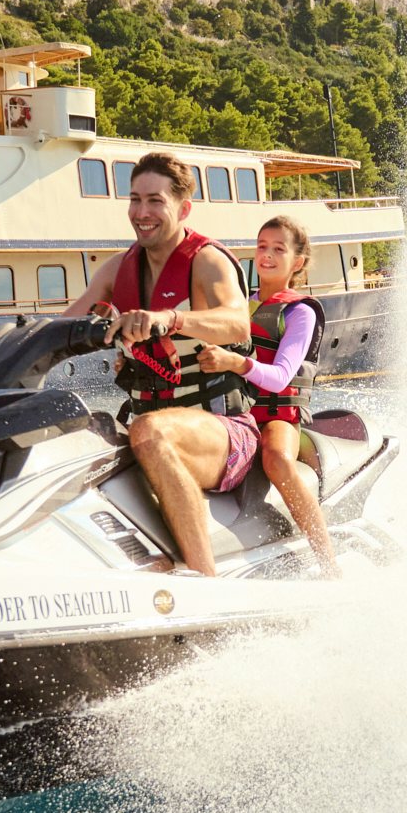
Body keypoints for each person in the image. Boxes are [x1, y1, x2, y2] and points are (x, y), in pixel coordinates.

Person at [61, 149, 253, 576]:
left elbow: (238, 323)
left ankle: (206, 583)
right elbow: (63, 324)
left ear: (183, 208)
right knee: (73, 432)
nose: (141, 212)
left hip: (225, 432)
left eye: (154, 201)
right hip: (150, 425)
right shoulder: (117, 269)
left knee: (148, 431)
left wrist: (172, 318)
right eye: (134, 199)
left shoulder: (206, 261)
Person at [196, 217, 335, 572]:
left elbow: (279, 377)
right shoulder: (237, 306)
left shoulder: (300, 312)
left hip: (277, 415)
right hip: (234, 410)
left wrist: (236, 362)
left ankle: (328, 562)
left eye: (278, 249)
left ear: (297, 262)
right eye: (261, 246)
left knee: (277, 459)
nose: (267, 255)